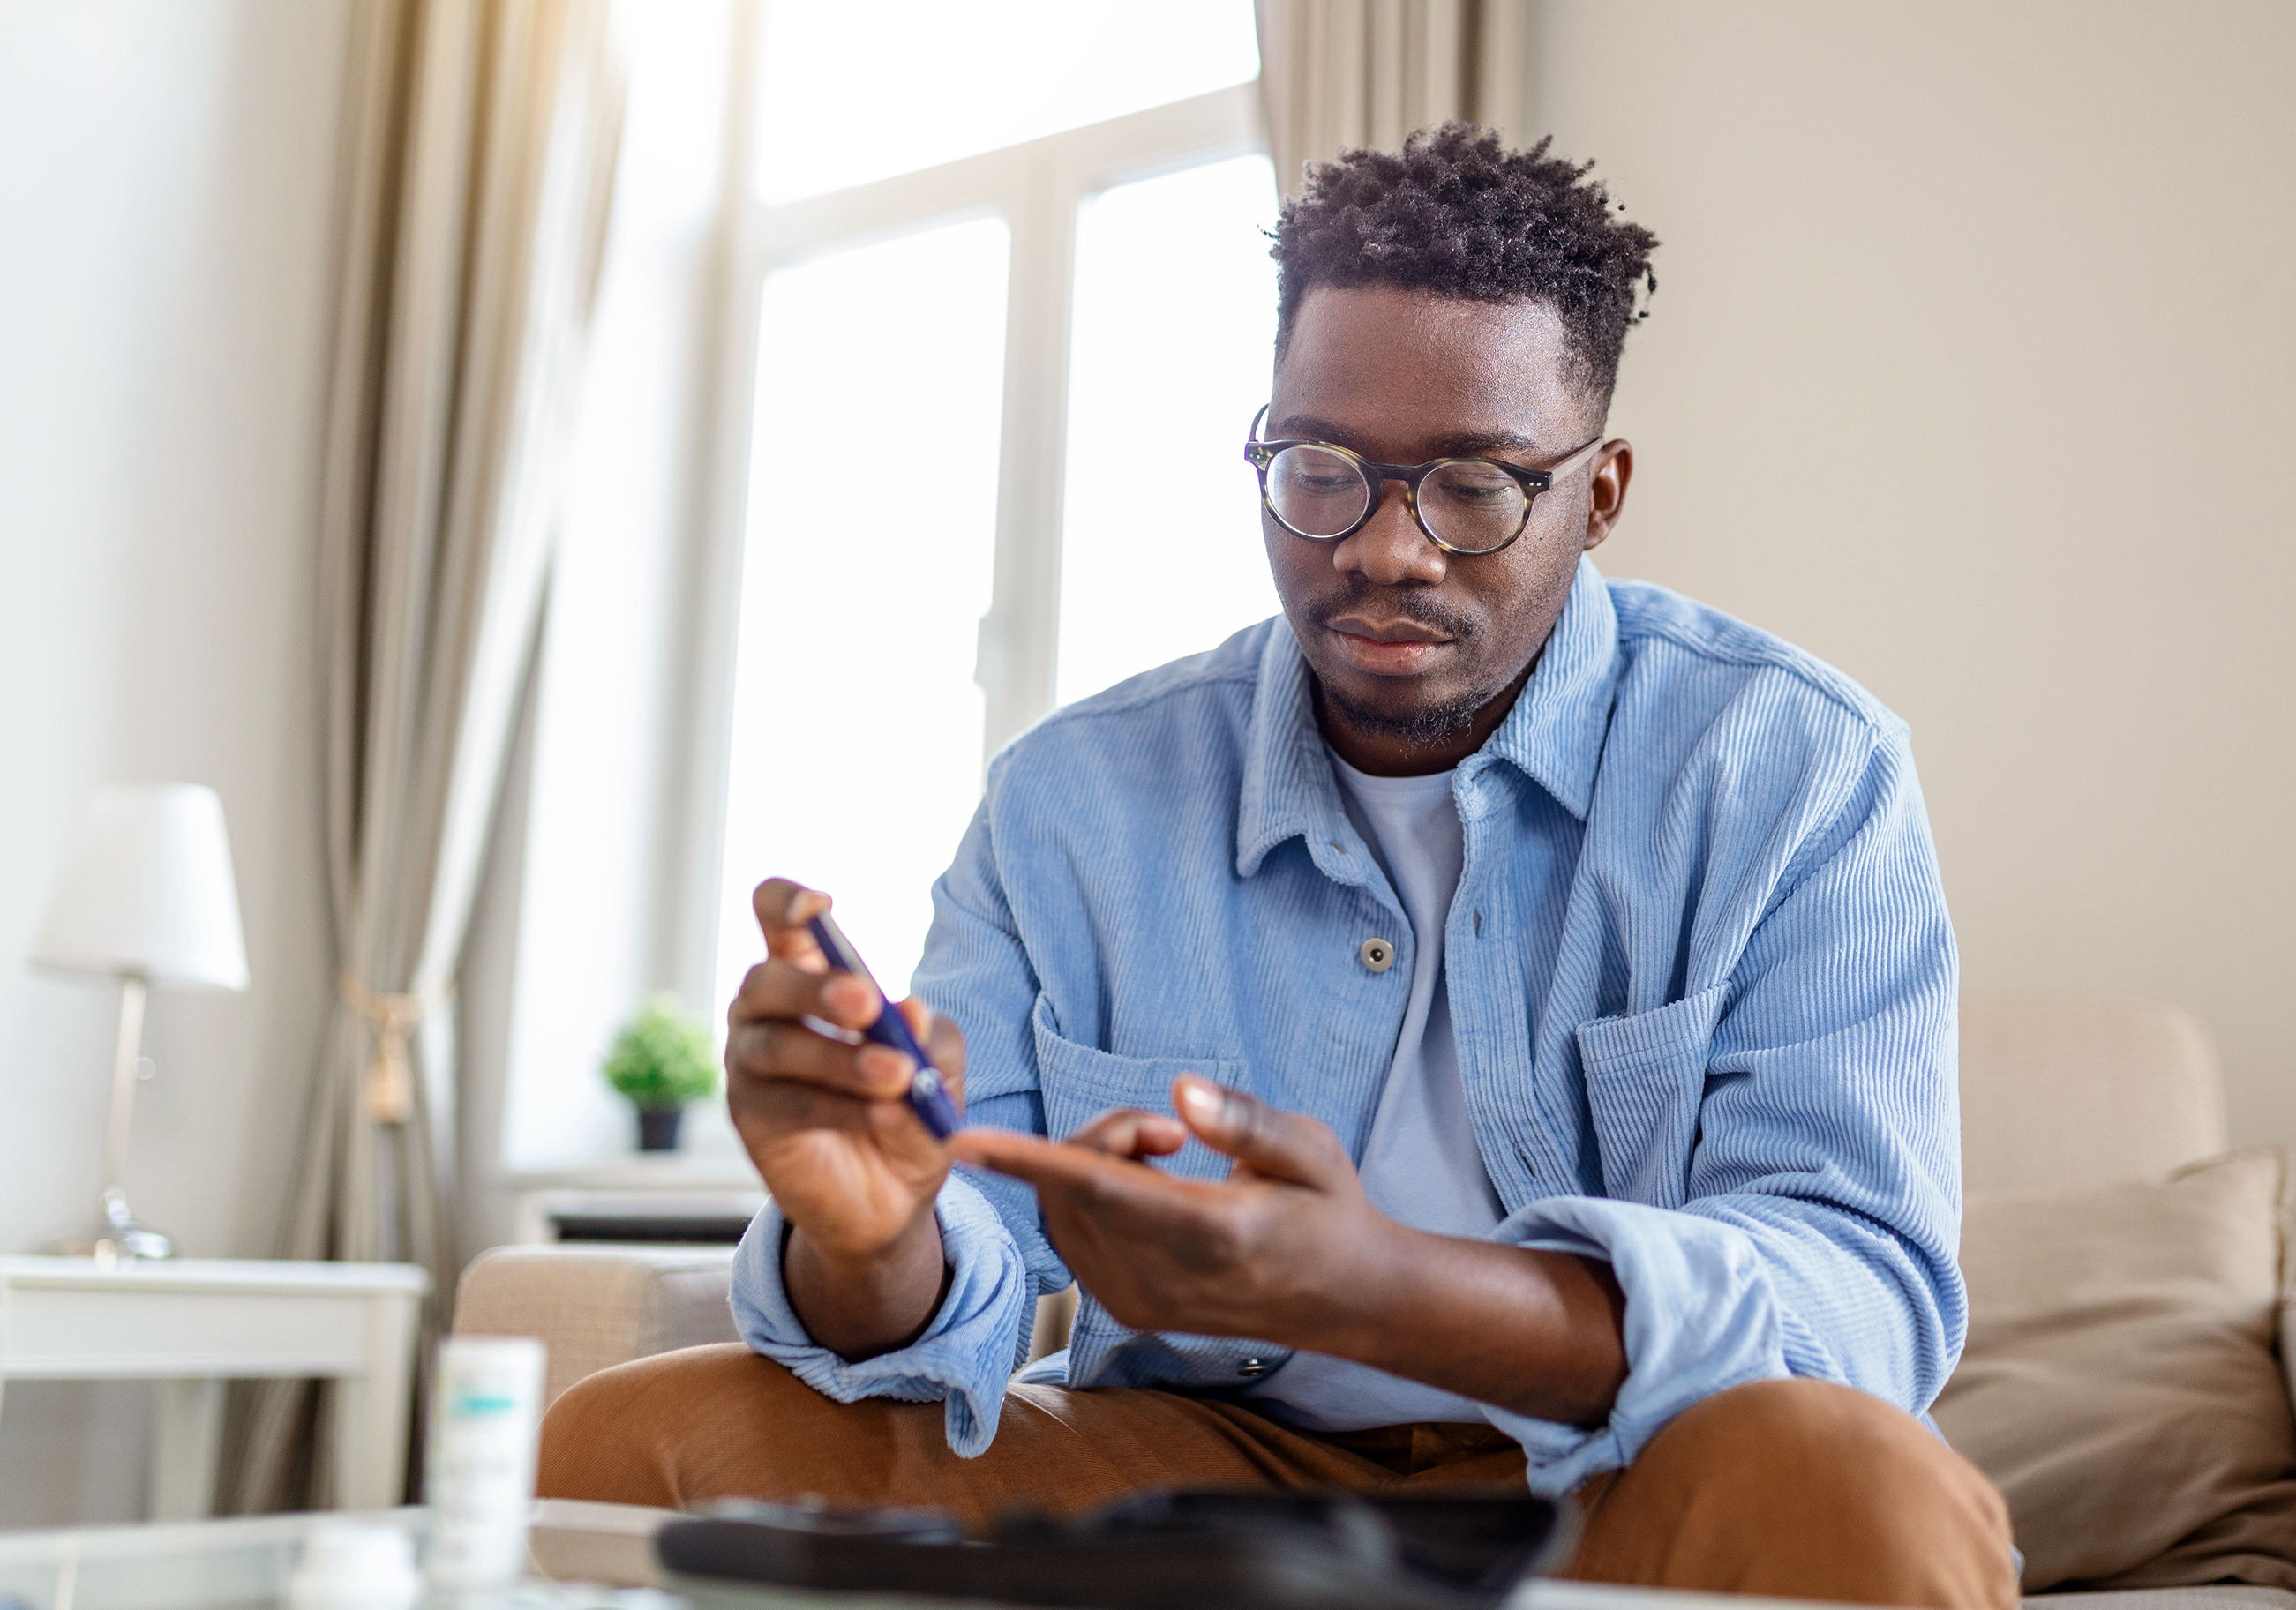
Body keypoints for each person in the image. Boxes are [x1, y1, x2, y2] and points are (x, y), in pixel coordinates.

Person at [542, 124, 2015, 1609]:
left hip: (1610, 1477)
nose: (1388, 548)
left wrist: (1381, 1286)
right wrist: (874, 1239)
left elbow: (1857, 1298)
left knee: (1869, 1495)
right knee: (629, 1440)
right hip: (1188, 1472)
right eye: (1324, 470)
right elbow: (956, 1265)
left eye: (1476, 486)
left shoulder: (1795, 770)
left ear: (1603, 490)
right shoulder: (1076, 799)